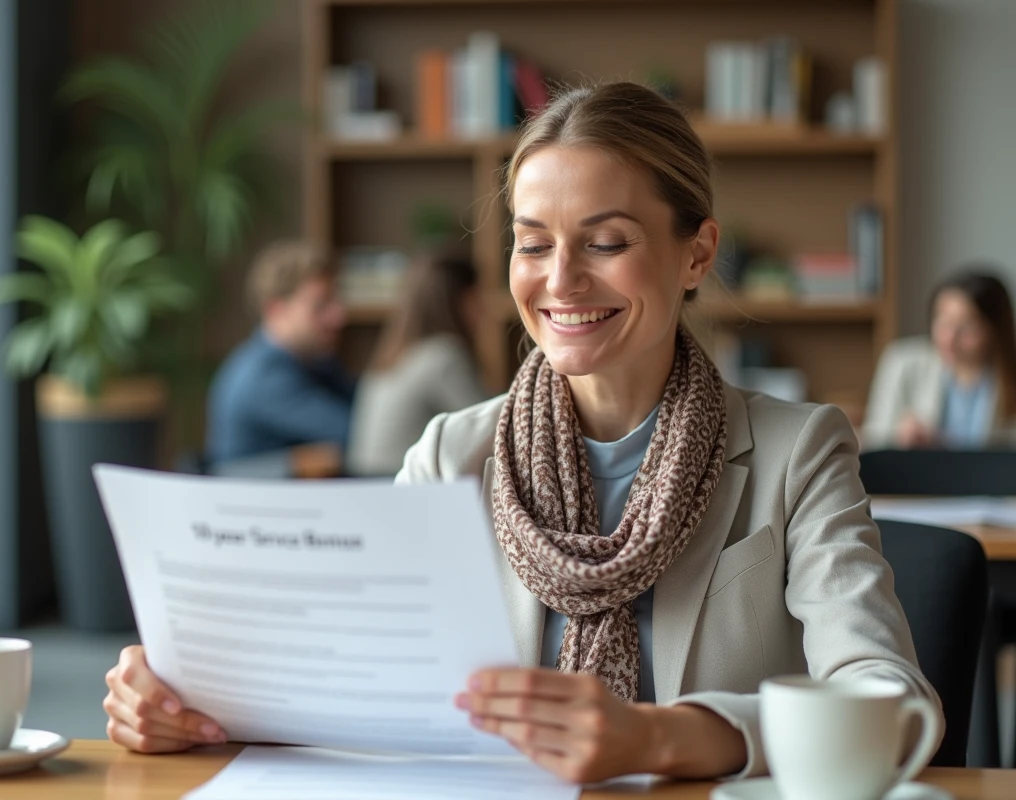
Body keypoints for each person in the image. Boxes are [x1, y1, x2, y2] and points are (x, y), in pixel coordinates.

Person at [105, 83, 940, 783]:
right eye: (532, 244)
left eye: (607, 243)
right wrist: (186, 700)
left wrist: (660, 737)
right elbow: (345, 685)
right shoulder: (449, 456)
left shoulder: (798, 451)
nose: (561, 280)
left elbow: (893, 704)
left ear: (696, 255)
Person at [205, 241, 355, 466]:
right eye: (320, 305)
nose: (339, 316)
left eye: (336, 301)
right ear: (276, 310)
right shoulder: (262, 377)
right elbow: (358, 434)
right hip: (258, 500)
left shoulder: (316, 362)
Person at [346, 253, 489, 476]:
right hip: (401, 485)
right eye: (477, 296)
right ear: (458, 300)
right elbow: (489, 429)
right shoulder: (444, 355)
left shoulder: (394, 355)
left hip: (365, 481)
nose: (484, 308)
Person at [863, 270, 1016, 449]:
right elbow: (874, 440)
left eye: (967, 327)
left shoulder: (1008, 374)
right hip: (918, 474)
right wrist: (900, 436)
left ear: (995, 329)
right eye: (943, 322)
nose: (949, 338)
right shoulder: (903, 362)